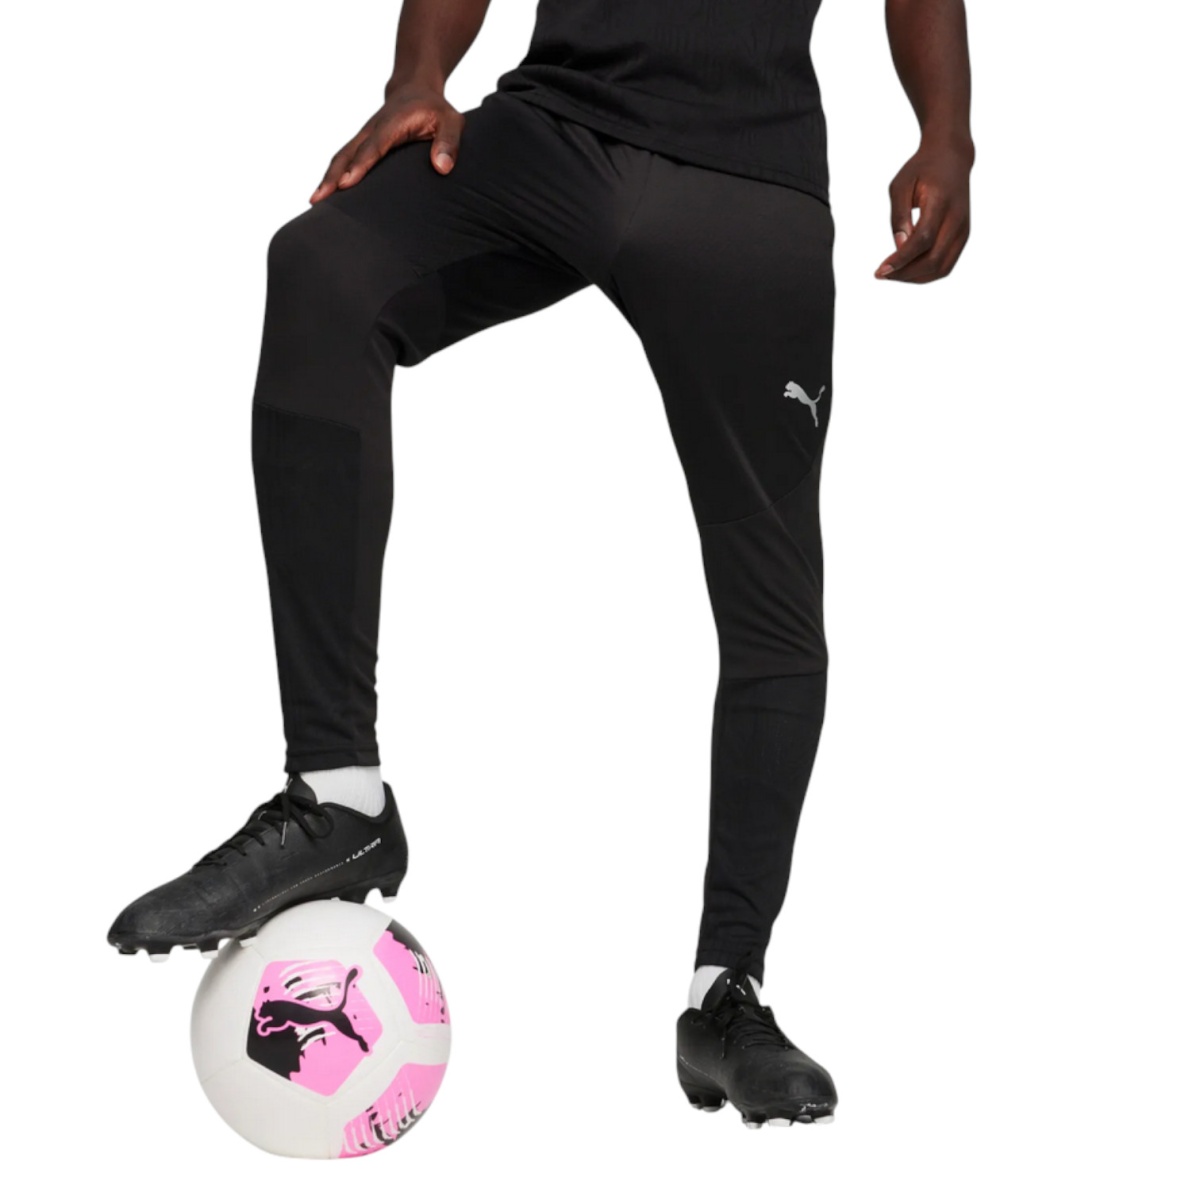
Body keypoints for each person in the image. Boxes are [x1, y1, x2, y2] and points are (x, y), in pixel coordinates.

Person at [108, 0, 973, 1127]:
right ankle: (338, 797)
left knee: (772, 599)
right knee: (322, 267)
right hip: (552, 131)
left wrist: (946, 133)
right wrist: (419, 74)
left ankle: (726, 995)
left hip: (746, 179)